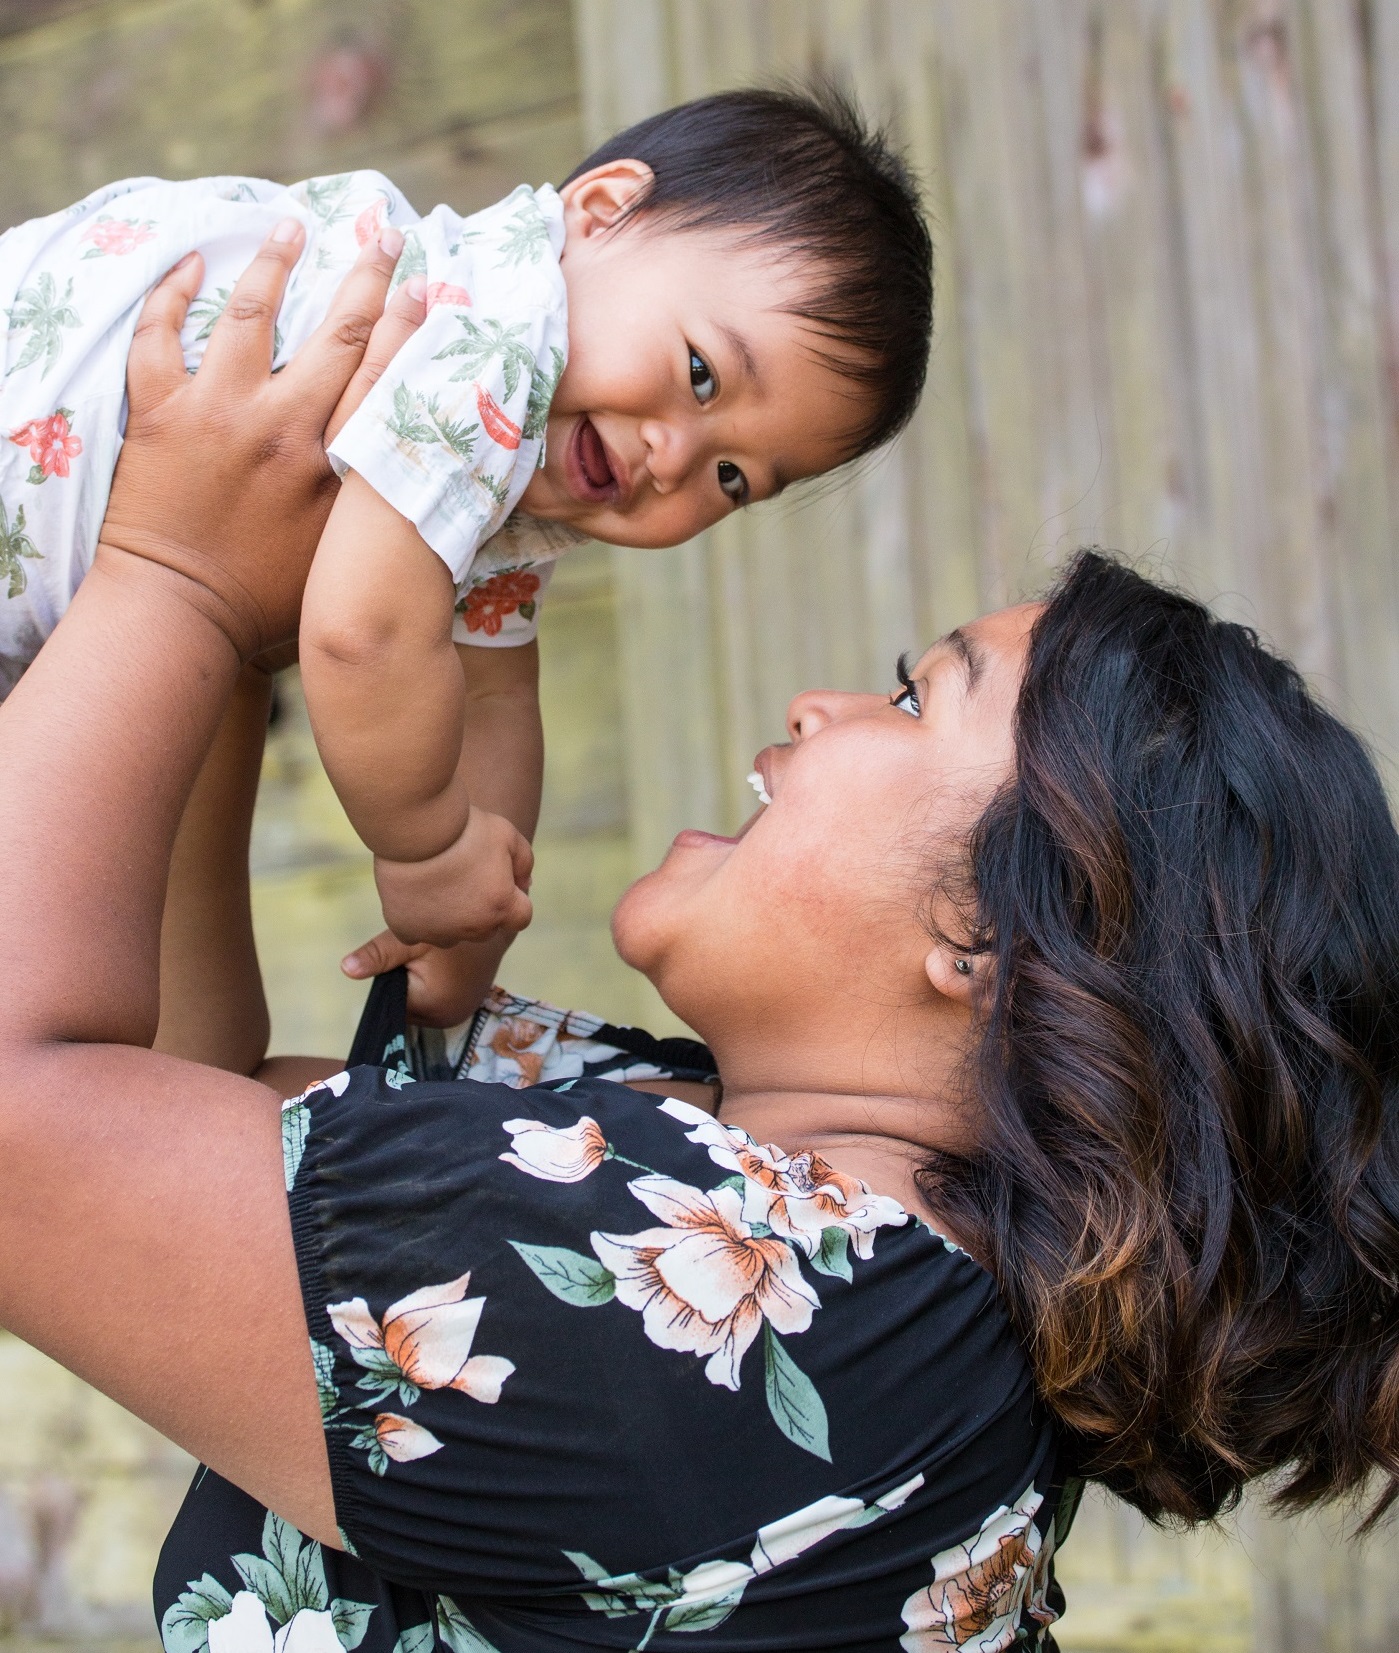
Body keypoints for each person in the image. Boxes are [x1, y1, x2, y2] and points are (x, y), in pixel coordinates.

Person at [1, 236, 1396, 1653]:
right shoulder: (788, 1241)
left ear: (992, 938)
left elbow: (25, 1134)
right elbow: (166, 1111)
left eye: (912, 699)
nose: (815, 707)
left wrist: (173, 570)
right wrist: (240, 621)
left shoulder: (778, 1337)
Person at [0, 87, 934, 1073]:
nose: (675, 457)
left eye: (733, 477)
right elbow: (361, 636)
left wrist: (473, 922)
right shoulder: (487, 338)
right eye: (701, 373)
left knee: (193, 1045)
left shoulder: (508, 477)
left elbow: (497, 694)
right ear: (601, 209)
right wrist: (428, 849)